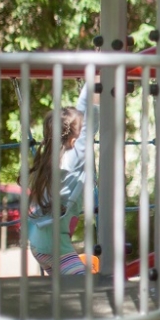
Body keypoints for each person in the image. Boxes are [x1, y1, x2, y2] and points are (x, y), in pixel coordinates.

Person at [27, 82, 99, 275]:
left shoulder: (53, 159)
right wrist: (97, 80)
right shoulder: (72, 162)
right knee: (85, 286)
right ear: (74, 141)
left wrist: (90, 83)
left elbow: (84, 115)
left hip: (40, 243)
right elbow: (91, 121)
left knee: (63, 288)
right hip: (54, 248)